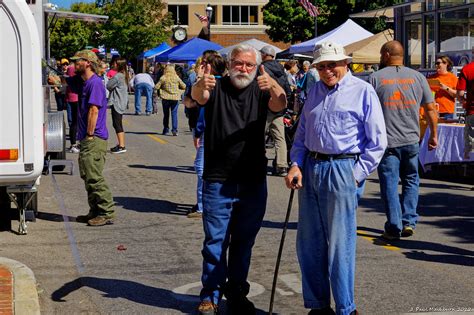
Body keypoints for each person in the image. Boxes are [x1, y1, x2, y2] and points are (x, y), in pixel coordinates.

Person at [286, 41, 387, 315]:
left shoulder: (362, 91)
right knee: (309, 242)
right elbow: (302, 135)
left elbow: (377, 142)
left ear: (345, 63)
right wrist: (295, 164)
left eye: (332, 64)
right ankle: (318, 306)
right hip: (311, 168)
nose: (327, 70)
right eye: (321, 66)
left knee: (340, 244)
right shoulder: (314, 91)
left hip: (343, 168)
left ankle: (346, 308)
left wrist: (355, 175)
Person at [191, 44, 286, 315]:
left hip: (252, 180)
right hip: (218, 179)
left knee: (244, 242)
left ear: (256, 67)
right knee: (215, 242)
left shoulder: (262, 88)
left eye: (248, 65)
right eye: (238, 63)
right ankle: (210, 294)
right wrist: (200, 82)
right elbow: (199, 97)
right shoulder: (216, 85)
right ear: (229, 64)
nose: (243, 69)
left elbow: (280, 105)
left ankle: (236, 294)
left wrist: (275, 86)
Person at [369, 40, 438, 240]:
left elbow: (367, 112)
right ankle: (409, 221)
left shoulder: (375, 78)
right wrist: (433, 135)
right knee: (411, 180)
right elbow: (431, 109)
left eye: (382, 55)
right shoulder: (417, 77)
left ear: (386, 55)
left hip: (388, 141)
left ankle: (393, 226)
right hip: (411, 140)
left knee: (389, 183)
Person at [60, 49, 115, 226]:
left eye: (78, 62)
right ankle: (95, 210)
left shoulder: (95, 83)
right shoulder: (83, 82)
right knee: (86, 175)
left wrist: (90, 135)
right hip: (86, 137)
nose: (75, 64)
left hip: (94, 137)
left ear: (88, 63)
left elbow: (94, 110)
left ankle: (106, 212)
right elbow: (64, 82)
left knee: (94, 176)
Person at [260, 45, 290, 176]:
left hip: (265, 107)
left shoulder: (262, 68)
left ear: (264, 55)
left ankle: (260, 162)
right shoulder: (281, 68)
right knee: (280, 138)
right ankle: (282, 166)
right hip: (279, 109)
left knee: (259, 136)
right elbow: (287, 88)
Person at [155, 65, 187, 136]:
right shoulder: (176, 78)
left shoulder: (163, 78)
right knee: (174, 114)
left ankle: (166, 129)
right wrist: (179, 91)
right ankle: (174, 130)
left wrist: (161, 90)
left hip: (165, 98)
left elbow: (156, 86)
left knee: (166, 115)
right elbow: (184, 86)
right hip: (175, 98)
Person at [107, 57, 129, 154]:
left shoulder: (118, 76)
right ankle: (120, 144)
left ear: (119, 65)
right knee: (117, 123)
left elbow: (108, 86)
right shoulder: (124, 75)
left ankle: (122, 146)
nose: (113, 65)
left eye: (115, 63)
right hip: (121, 102)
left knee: (117, 124)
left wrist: (110, 79)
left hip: (117, 102)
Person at [427, 55, 458, 119]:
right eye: (435, 63)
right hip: (433, 110)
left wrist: (445, 88)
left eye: (438, 63)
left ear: (446, 64)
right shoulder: (431, 78)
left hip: (447, 111)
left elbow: (456, 94)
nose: (436, 65)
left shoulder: (452, 78)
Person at [456, 59, 474, 159]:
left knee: (472, 150)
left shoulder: (467, 69)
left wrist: (464, 103)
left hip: (472, 113)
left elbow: (460, 94)